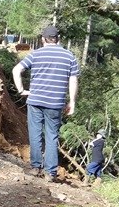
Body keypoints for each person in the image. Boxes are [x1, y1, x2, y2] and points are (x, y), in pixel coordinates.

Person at [12, 25, 80, 182]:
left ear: (43, 39)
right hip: (55, 103)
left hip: (35, 100)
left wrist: (21, 89)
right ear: (58, 39)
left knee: (35, 133)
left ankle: (36, 168)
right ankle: (50, 173)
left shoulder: (35, 54)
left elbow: (16, 70)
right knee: (52, 136)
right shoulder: (69, 57)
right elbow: (73, 80)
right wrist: (72, 101)